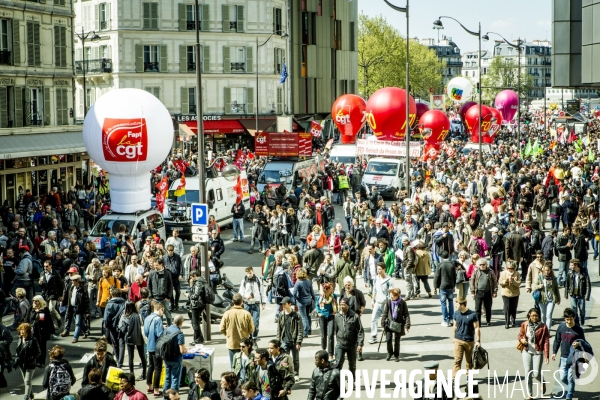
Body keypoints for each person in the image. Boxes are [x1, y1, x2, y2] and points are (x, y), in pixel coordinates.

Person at [552, 308, 585, 400]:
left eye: (570, 319)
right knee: (562, 377)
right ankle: (572, 386)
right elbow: (557, 340)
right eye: (567, 319)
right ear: (564, 319)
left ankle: (569, 395)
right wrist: (554, 352)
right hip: (563, 357)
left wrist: (579, 344)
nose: (569, 321)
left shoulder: (579, 329)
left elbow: (584, 342)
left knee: (570, 377)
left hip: (574, 357)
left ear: (574, 318)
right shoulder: (561, 327)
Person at [518, 308, 550, 399]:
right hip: (527, 350)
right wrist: (522, 339)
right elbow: (520, 335)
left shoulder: (543, 327)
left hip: (538, 352)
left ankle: (542, 381)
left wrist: (546, 355)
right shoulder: (525, 324)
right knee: (528, 372)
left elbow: (546, 341)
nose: (534, 317)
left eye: (536, 316)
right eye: (532, 316)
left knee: (536, 374)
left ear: (539, 316)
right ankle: (530, 394)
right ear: (529, 315)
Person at [220, 293, 255, 368]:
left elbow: (222, 328)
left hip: (232, 343)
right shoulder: (247, 314)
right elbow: (252, 329)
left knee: (233, 365)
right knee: (244, 365)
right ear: (242, 302)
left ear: (232, 301)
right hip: (244, 343)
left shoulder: (227, 313)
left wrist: (228, 335)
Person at [333, 297, 364, 378]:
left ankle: (351, 381)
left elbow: (360, 330)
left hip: (351, 344)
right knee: (338, 363)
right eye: (340, 305)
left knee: (352, 365)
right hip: (340, 344)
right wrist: (339, 338)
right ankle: (337, 383)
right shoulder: (337, 316)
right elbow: (336, 329)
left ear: (348, 305)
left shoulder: (355, 316)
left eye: (344, 305)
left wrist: (360, 344)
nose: (342, 306)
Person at [452, 297, 480, 380]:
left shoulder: (472, 314)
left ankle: (468, 376)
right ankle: (454, 378)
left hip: (469, 341)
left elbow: (477, 328)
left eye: (457, 304)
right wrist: (454, 337)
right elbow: (454, 326)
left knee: (469, 361)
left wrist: (478, 341)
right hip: (458, 340)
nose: (455, 306)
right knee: (457, 360)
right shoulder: (456, 313)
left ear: (462, 305)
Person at [276, 297, 303, 381]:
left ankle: (296, 373)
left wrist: (298, 342)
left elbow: (300, 329)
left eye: (285, 304)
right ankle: (286, 374)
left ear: (290, 304)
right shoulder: (281, 314)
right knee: (285, 359)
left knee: (295, 359)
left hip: (294, 341)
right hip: (284, 340)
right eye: (282, 304)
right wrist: (278, 341)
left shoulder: (296, 315)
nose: (283, 306)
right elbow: (279, 329)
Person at [380, 287, 410, 362]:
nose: (391, 297)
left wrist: (407, 325)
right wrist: (382, 324)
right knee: (388, 339)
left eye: (393, 296)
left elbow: (406, 314)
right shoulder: (389, 302)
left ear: (398, 296)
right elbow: (385, 313)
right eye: (390, 295)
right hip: (389, 323)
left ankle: (396, 355)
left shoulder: (402, 303)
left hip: (398, 324)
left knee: (397, 341)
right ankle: (390, 353)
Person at [238, 267, 267, 341]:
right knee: (246, 322)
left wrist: (263, 303)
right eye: (247, 273)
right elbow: (241, 292)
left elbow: (262, 292)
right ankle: (249, 336)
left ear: (253, 272)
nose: (249, 275)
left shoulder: (258, 280)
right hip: (247, 304)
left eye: (250, 273)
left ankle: (254, 337)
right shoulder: (244, 281)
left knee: (255, 322)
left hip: (255, 304)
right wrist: (245, 296)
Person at [368, 262, 394, 344]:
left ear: (384, 269)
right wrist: (372, 300)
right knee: (373, 319)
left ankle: (388, 335)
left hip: (385, 303)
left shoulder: (389, 280)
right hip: (377, 303)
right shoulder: (376, 279)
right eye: (377, 269)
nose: (378, 271)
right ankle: (374, 336)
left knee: (387, 320)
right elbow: (374, 290)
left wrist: (389, 303)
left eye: (379, 269)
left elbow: (391, 293)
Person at [25, 295, 55, 366]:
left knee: (42, 347)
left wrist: (52, 331)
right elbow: (27, 319)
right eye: (33, 301)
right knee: (32, 346)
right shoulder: (31, 309)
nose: (34, 302)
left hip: (42, 332)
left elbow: (49, 321)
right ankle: (34, 360)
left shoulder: (44, 309)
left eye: (36, 301)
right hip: (32, 331)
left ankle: (41, 361)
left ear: (40, 301)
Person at [15, 322, 41, 400]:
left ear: (28, 331)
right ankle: (31, 394)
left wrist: (31, 358)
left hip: (30, 364)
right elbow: (18, 350)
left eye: (24, 330)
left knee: (27, 381)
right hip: (21, 363)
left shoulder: (33, 340)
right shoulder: (20, 338)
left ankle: (26, 397)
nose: (22, 331)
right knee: (26, 381)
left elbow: (38, 352)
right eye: (20, 329)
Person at [469, 258, 498, 326]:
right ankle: (478, 322)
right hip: (478, 292)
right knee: (477, 309)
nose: (482, 266)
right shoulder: (476, 271)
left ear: (486, 264)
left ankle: (488, 321)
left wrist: (495, 291)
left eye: (483, 264)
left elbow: (495, 281)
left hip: (488, 292)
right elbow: (472, 282)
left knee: (488, 308)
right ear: (478, 265)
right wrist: (472, 292)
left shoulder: (490, 271)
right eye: (480, 265)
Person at [144, 302, 165, 397]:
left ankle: (149, 386)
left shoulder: (147, 318)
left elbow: (145, 332)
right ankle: (156, 390)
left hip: (149, 345)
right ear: (160, 309)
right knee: (158, 368)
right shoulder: (158, 319)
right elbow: (159, 334)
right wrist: (164, 329)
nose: (162, 313)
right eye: (162, 310)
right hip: (157, 346)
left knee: (151, 366)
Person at [61, 274, 90, 343]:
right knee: (80, 322)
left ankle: (75, 337)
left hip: (79, 308)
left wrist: (87, 311)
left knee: (77, 323)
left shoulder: (83, 289)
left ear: (77, 281)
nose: (72, 282)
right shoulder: (72, 287)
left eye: (73, 280)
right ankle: (85, 331)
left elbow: (86, 301)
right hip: (72, 307)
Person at [122, 300, 146, 380]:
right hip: (139, 337)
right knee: (142, 356)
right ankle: (144, 373)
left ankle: (132, 374)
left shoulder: (126, 316)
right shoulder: (138, 315)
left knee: (130, 357)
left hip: (130, 338)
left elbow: (123, 329)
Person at [163, 315, 186, 395]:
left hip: (166, 357)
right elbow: (182, 350)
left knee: (167, 377)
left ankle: (165, 396)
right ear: (181, 322)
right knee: (175, 378)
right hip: (176, 359)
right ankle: (173, 396)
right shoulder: (180, 333)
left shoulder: (167, 329)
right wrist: (186, 350)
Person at [564, 259, 591, 327]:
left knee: (582, 311)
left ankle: (582, 318)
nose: (570, 266)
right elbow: (567, 284)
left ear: (576, 265)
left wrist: (587, 296)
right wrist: (566, 293)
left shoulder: (584, 273)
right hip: (573, 294)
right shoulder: (570, 272)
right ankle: (577, 324)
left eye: (572, 265)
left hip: (581, 294)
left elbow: (588, 285)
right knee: (574, 311)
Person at [433, 250, 457, 327]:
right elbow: (454, 276)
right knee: (450, 302)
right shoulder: (452, 264)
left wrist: (435, 287)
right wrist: (454, 286)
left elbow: (436, 277)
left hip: (442, 286)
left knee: (443, 303)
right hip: (450, 286)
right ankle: (451, 319)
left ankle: (445, 320)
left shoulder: (440, 265)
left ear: (441, 257)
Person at [104, 287, 126, 367]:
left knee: (115, 344)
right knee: (122, 344)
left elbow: (106, 318)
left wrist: (106, 325)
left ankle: (117, 360)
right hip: (122, 326)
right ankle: (121, 362)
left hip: (112, 327)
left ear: (112, 294)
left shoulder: (109, 304)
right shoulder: (125, 303)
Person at [315, 282, 337, 361]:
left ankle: (331, 354)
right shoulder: (320, 297)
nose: (332, 290)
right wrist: (318, 312)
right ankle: (323, 351)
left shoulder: (334, 296)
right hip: (322, 317)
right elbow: (317, 305)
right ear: (326, 290)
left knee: (330, 335)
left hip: (331, 317)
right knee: (323, 335)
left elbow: (336, 305)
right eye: (330, 289)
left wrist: (335, 311)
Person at [147, 258, 173, 326]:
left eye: (156, 265)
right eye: (154, 265)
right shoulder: (152, 273)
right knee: (158, 314)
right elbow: (149, 285)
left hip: (164, 298)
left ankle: (170, 327)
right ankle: (159, 328)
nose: (155, 267)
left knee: (167, 313)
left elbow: (170, 286)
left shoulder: (167, 273)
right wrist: (151, 296)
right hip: (155, 298)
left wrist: (168, 296)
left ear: (161, 264)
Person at [39, 259, 63, 330]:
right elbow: (42, 285)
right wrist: (40, 284)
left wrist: (60, 295)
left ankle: (58, 318)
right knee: (45, 310)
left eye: (47, 266)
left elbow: (60, 284)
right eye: (44, 266)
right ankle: (51, 324)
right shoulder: (42, 273)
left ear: (50, 266)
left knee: (51, 308)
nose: (45, 268)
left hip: (53, 293)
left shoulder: (55, 274)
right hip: (45, 294)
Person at [188, 271, 210, 345]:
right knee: (196, 322)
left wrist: (189, 295)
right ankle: (200, 339)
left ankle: (197, 340)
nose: (191, 279)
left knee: (195, 323)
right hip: (201, 304)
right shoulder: (202, 281)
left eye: (191, 277)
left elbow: (196, 295)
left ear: (194, 275)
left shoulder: (198, 282)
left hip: (196, 304)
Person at [535, 263, 560, 330]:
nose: (546, 272)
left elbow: (556, 289)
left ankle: (548, 330)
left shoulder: (553, 278)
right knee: (543, 316)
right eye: (545, 270)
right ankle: (543, 329)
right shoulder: (540, 277)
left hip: (551, 300)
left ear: (550, 270)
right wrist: (539, 286)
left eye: (548, 270)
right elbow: (534, 286)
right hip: (542, 299)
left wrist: (558, 299)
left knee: (548, 316)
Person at [291, 268, 315, 337]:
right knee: (307, 315)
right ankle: (309, 329)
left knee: (303, 317)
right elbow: (312, 292)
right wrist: (314, 300)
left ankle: (305, 331)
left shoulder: (298, 282)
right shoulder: (308, 281)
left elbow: (294, 293)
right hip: (308, 300)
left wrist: (297, 298)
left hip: (301, 301)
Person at [498, 260, 521, 329]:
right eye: (509, 268)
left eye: (512, 268)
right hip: (505, 293)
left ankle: (513, 320)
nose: (510, 270)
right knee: (507, 308)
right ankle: (507, 322)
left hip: (515, 293)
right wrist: (506, 281)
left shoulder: (517, 273)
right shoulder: (503, 273)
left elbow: (519, 283)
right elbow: (500, 282)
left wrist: (514, 281)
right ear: (506, 268)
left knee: (514, 308)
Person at [163, 245, 183, 311]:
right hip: (169, 277)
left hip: (176, 277)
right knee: (170, 293)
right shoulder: (164, 258)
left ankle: (176, 303)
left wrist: (181, 274)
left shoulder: (177, 257)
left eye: (172, 250)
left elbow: (181, 266)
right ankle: (172, 304)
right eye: (169, 251)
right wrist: (164, 268)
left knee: (178, 291)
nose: (170, 252)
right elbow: (161, 266)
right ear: (167, 251)